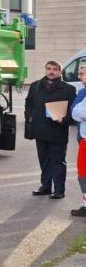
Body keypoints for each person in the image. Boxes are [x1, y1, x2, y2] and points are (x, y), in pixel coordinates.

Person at [26, 60, 76, 199]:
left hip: (57, 131)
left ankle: (59, 190)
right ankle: (46, 187)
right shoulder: (36, 86)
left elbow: (73, 110)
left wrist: (64, 120)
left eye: (55, 69)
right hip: (40, 130)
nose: (51, 71)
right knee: (44, 160)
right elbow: (28, 102)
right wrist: (29, 116)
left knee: (58, 162)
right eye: (49, 68)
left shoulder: (68, 89)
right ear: (45, 69)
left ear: (60, 71)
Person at [69, 66, 86, 216]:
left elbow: (80, 112)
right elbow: (74, 112)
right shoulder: (82, 92)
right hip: (83, 137)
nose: (80, 76)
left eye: (82, 74)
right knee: (83, 173)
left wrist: (79, 111)